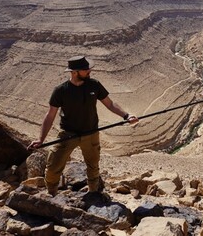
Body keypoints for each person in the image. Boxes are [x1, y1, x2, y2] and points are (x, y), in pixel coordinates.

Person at [28, 55, 138, 196]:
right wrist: (41, 139)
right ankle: (52, 194)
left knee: (93, 167)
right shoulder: (61, 90)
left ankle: (93, 195)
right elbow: (50, 116)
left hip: (91, 133)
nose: (89, 71)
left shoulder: (94, 85)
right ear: (74, 72)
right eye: (85, 70)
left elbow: (109, 104)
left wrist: (126, 115)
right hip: (68, 134)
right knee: (53, 167)